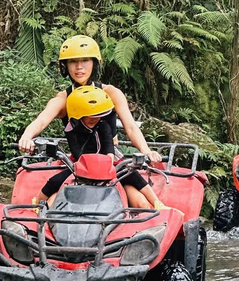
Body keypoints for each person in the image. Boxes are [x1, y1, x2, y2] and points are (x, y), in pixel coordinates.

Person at [18, 35, 161, 164]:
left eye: (85, 60)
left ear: (94, 63)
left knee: (133, 188)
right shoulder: (63, 99)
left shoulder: (111, 93)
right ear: (65, 65)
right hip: (79, 160)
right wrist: (27, 136)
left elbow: (130, 127)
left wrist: (146, 150)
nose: (79, 67)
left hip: (110, 158)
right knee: (52, 189)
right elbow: (41, 120)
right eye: (73, 61)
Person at [35, 86, 165, 210]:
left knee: (132, 175)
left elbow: (109, 147)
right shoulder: (71, 129)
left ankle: (157, 202)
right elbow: (77, 151)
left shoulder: (103, 126)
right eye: (89, 115)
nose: (94, 118)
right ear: (78, 114)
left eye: (98, 115)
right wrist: (86, 166)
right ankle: (38, 204)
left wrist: (107, 163)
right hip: (82, 164)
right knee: (55, 181)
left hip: (107, 162)